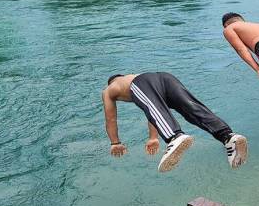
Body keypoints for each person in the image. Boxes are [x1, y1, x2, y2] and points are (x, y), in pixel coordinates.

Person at [101, 72, 248, 172]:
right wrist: (153, 137)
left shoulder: (110, 89)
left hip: (143, 82)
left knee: (159, 113)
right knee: (192, 109)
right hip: (165, 77)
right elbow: (152, 111)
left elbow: (111, 118)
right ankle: (228, 137)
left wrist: (115, 143)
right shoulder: (132, 76)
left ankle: (174, 137)